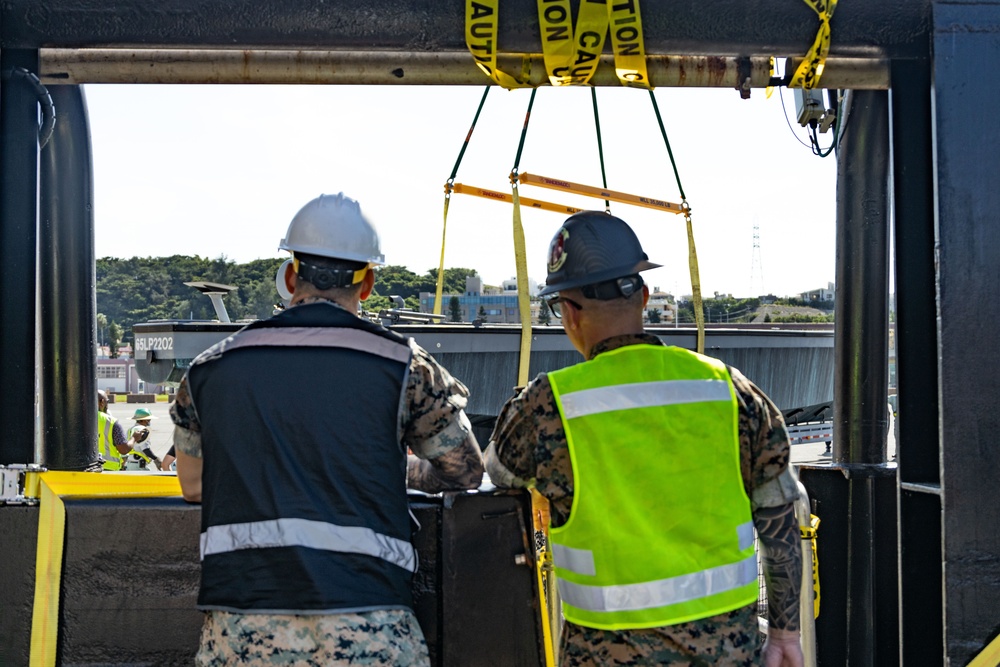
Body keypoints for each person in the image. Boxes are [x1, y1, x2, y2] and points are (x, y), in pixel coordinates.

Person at [171, 193, 484, 666]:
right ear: (369, 283)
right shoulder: (404, 366)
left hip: (242, 629)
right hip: (369, 625)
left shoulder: (207, 371)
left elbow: (193, 485)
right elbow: (464, 472)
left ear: (291, 276)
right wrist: (399, 471)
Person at [484, 211, 805, 667]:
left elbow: (496, 471)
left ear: (569, 313)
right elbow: (779, 522)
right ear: (645, 296)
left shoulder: (547, 405)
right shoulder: (730, 391)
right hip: (730, 654)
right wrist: (785, 634)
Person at [97, 389, 129, 470]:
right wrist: (135, 438)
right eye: (107, 402)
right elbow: (124, 449)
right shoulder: (111, 422)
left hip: (80, 472)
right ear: (102, 402)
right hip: (108, 469)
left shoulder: (73, 419)